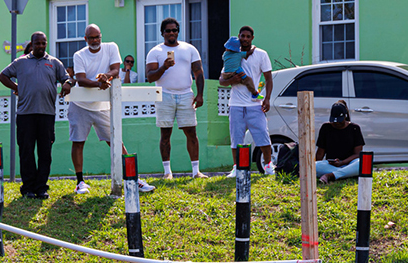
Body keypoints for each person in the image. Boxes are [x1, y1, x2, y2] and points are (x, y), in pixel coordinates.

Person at [70, 25, 154, 194]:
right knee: (78, 143)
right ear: (85, 39)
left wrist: (105, 77)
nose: (95, 40)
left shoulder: (111, 47)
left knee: (116, 142)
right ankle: (80, 182)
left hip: (102, 106)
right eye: (91, 38)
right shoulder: (79, 55)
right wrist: (99, 84)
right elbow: (80, 80)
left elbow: (116, 70)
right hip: (80, 105)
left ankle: (133, 178)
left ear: (101, 36)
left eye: (97, 37)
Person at [0, 31, 72, 199]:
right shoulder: (21, 62)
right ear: (31, 44)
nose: (40, 46)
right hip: (25, 115)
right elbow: (2, 76)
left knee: (45, 152)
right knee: (26, 151)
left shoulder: (54, 62)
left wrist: (67, 84)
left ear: (46, 44)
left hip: (47, 114)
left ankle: (41, 188)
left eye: (43, 43)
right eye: (37, 43)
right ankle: (28, 188)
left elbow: (67, 79)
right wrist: (16, 87)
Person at [146, 17, 208, 180]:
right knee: (165, 134)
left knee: (191, 132)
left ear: (178, 31)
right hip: (164, 94)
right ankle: (167, 172)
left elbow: (198, 72)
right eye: (168, 30)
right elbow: (150, 77)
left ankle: (196, 171)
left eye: (174, 30)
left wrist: (200, 94)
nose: (172, 33)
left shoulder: (189, 49)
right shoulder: (155, 51)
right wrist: (164, 66)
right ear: (162, 33)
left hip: (186, 93)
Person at [218, 26, 275, 178]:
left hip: (255, 104)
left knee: (262, 134)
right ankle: (237, 168)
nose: (244, 39)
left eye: (248, 36)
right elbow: (222, 81)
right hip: (236, 104)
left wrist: (267, 98)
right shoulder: (231, 53)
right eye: (242, 36)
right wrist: (233, 80)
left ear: (252, 38)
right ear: (239, 36)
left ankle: (268, 165)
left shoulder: (261, 54)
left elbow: (268, 78)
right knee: (236, 138)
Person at [315, 101, 365, 184]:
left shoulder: (354, 128)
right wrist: (317, 166)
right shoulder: (326, 127)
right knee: (315, 166)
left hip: (350, 163)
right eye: (334, 121)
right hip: (331, 165)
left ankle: (329, 175)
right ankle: (347, 173)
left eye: (339, 121)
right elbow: (320, 152)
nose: (336, 123)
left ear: (345, 116)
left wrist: (342, 162)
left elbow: (357, 154)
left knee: (361, 163)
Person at [221, 36, 263, 101]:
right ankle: (255, 94)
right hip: (235, 72)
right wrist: (253, 47)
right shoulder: (239, 54)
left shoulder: (225, 54)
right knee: (248, 80)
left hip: (226, 74)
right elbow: (249, 53)